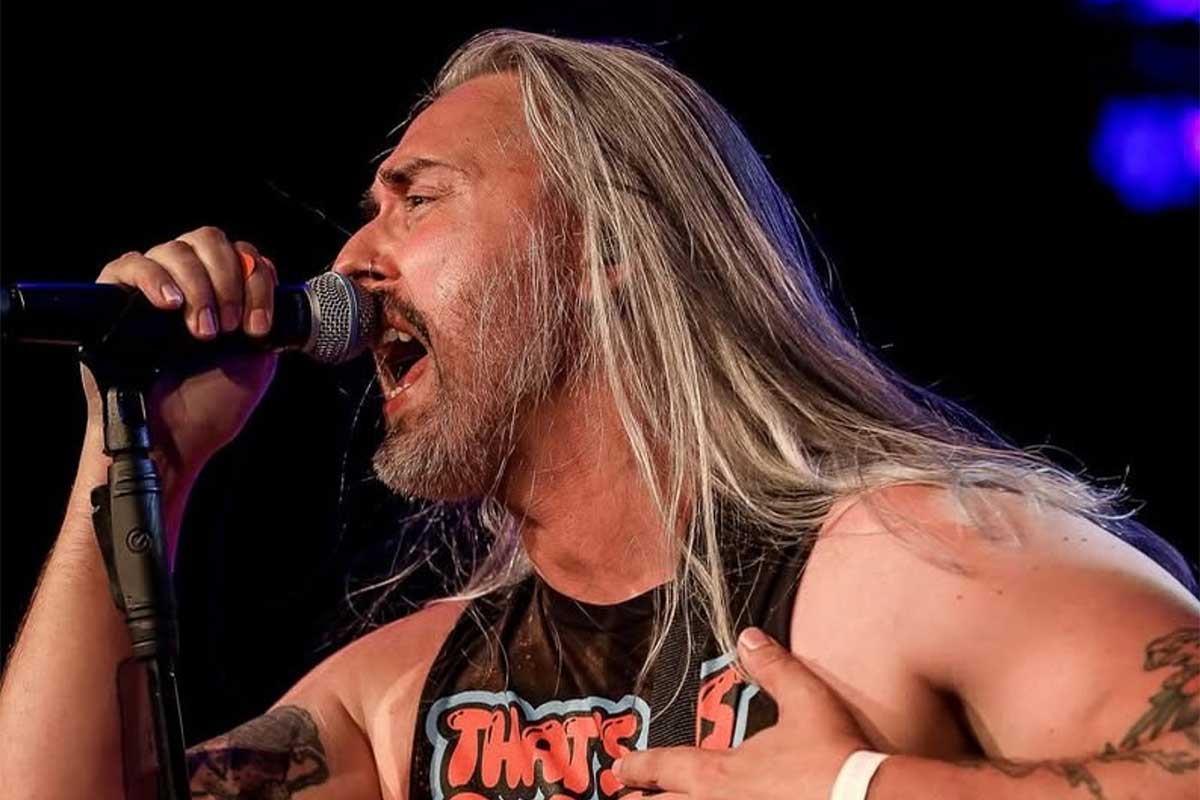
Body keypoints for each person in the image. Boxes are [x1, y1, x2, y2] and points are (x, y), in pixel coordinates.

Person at [2, 29, 1197, 800]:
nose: (353, 257)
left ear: (604, 248)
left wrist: (859, 786)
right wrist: (139, 450)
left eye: (416, 200)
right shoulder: (407, 692)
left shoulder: (915, 559)